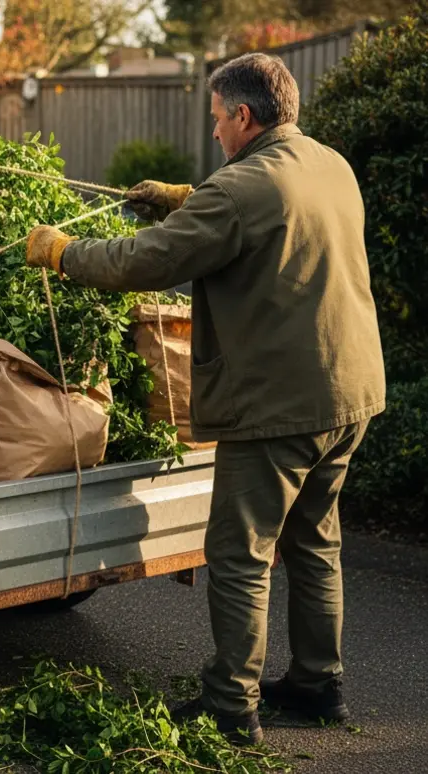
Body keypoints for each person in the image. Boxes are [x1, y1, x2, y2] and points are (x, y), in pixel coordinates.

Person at [24, 52, 385, 745]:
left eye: (218, 118)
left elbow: (145, 261)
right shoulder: (329, 164)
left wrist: (63, 252)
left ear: (244, 116)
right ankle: (319, 685)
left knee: (241, 554)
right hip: (349, 393)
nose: (214, 130)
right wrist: (187, 198)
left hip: (277, 406)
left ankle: (230, 707)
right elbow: (271, 213)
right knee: (315, 541)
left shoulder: (240, 189)